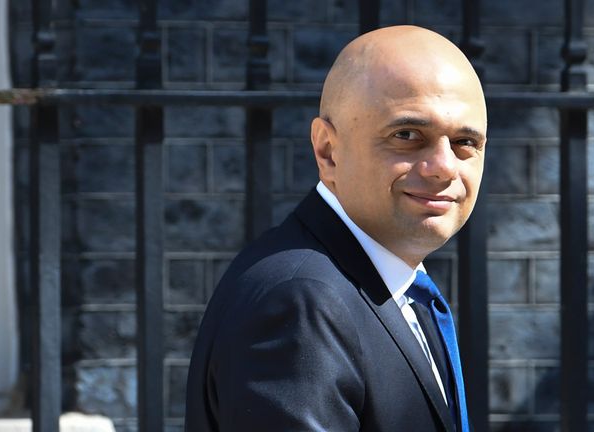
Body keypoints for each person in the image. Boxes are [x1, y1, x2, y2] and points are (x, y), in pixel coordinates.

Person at [185, 25, 487, 432]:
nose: (446, 167)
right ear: (327, 151)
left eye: (465, 142)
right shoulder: (301, 304)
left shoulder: (394, 287)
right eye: (407, 135)